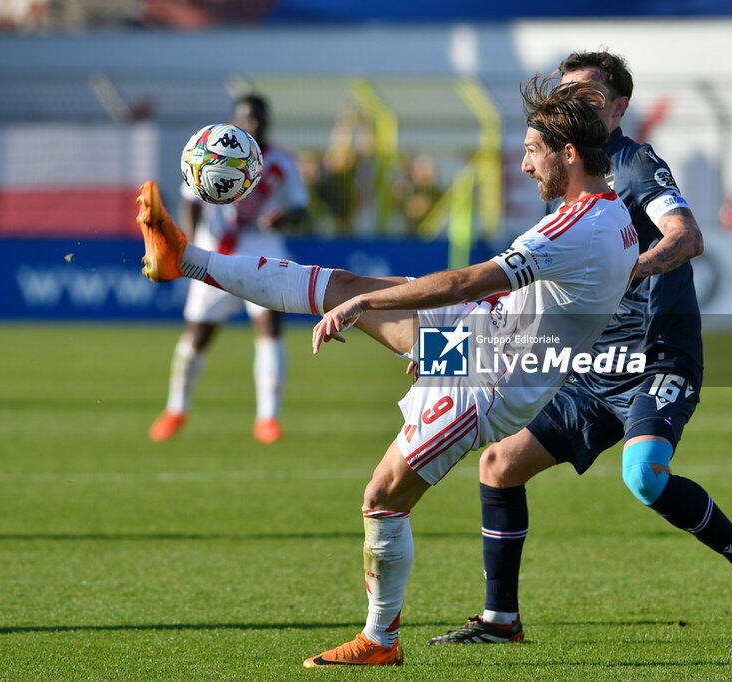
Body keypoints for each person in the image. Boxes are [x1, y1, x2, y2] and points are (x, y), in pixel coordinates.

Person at [136, 75, 640, 666]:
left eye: (532, 151)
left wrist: (374, 307)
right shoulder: (607, 214)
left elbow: (465, 280)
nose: (525, 165)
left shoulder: (578, 226)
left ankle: (379, 640)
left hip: (486, 383)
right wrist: (422, 334)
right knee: (341, 284)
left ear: (569, 153)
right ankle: (185, 258)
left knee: (382, 496)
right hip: (484, 340)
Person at [427, 51, 732, 646]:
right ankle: (500, 620)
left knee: (643, 477)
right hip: (591, 363)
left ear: (618, 108)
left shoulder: (634, 164)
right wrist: (454, 344)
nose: (576, 105)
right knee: (499, 465)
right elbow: (532, 284)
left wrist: (631, 269)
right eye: (567, 95)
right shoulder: (567, 177)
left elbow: (687, 237)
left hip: (657, 354)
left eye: (590, 97)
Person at [148, 93, 309, 444]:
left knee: (269, 328)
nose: (253, 125)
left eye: (259, 118)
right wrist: (188, 244)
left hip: (262, 248)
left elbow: (301, 207)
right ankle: (176, 409)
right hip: (215, 247)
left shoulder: (280, 161)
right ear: (235, 120)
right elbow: (190, 199)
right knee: (198, 335)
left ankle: (268, 418)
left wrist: (285, 217)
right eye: (246, 118)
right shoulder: (210, 148)